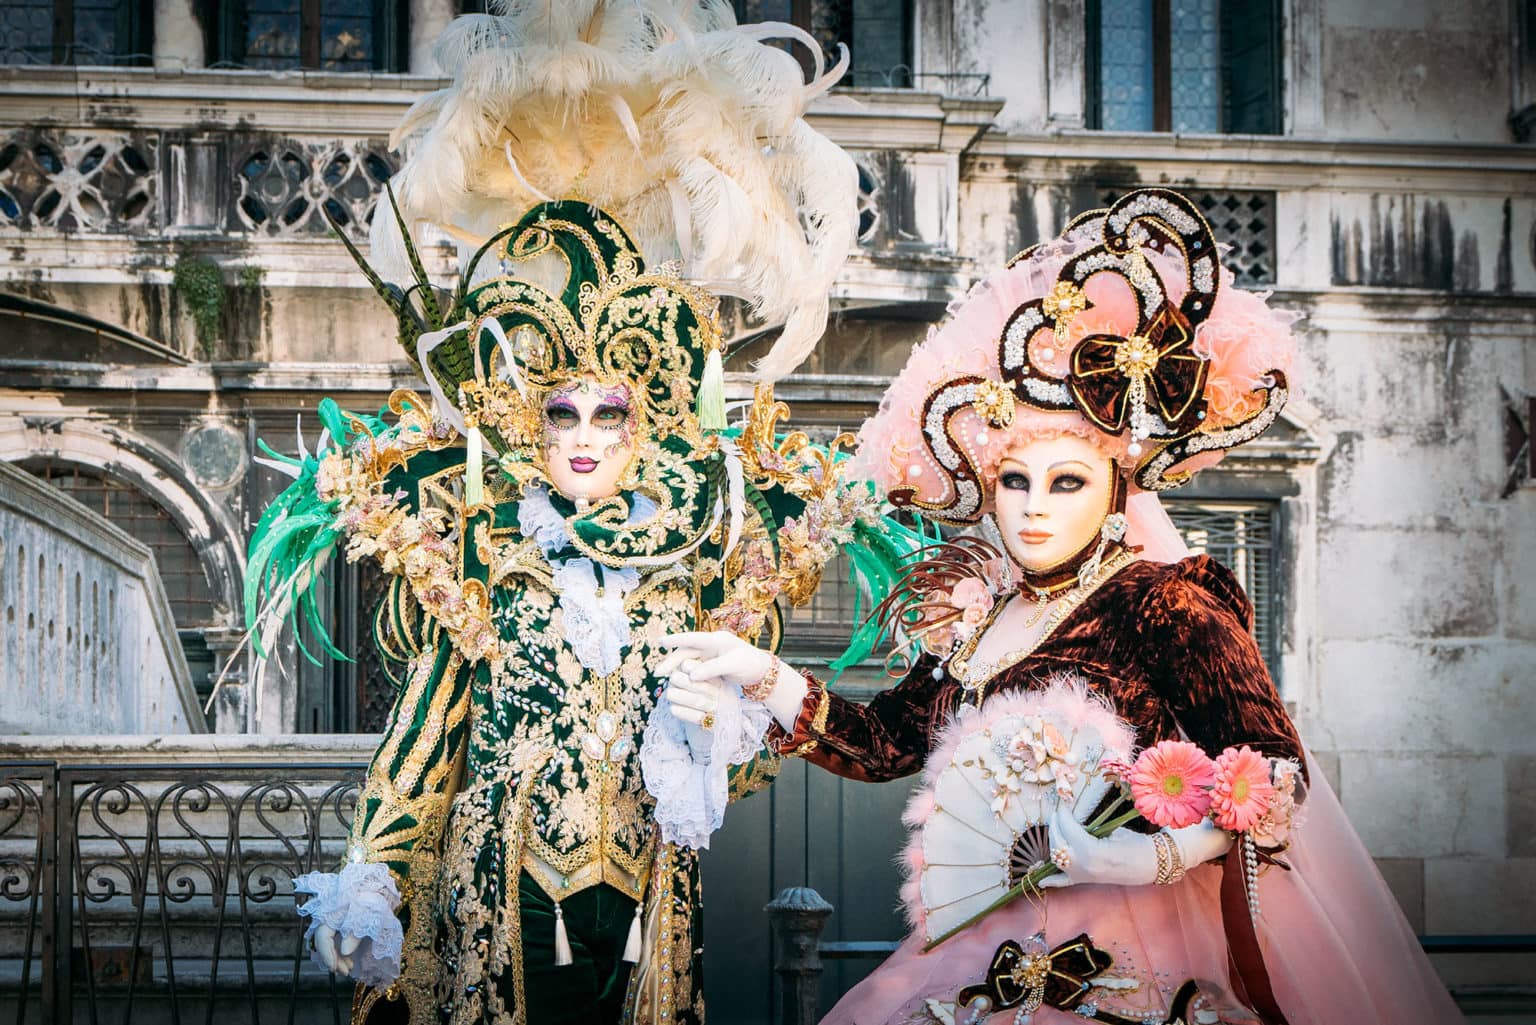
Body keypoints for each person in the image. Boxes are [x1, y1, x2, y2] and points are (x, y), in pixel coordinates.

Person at [659, 188, 1467, 1025]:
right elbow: (885, 741)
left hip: (1141, 946)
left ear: (1114, 491)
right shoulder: (977, 617)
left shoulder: (1163, 602)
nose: (1034, 507)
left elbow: (1271, 773)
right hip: (986, 949)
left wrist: (1150, 858)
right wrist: (764, 675)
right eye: (1015, 480)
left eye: (1066, 481)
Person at [242, 4, 864, 1022]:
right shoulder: (486, 555)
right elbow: (425, 734)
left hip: (648, 897)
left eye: (609, 412)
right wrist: (372, 873)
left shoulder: (686, 567)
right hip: (503, 890)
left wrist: (713, 738)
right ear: (525, 421)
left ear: (645, 419)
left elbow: (739, 771)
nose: (583, 435)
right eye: (560, 412)